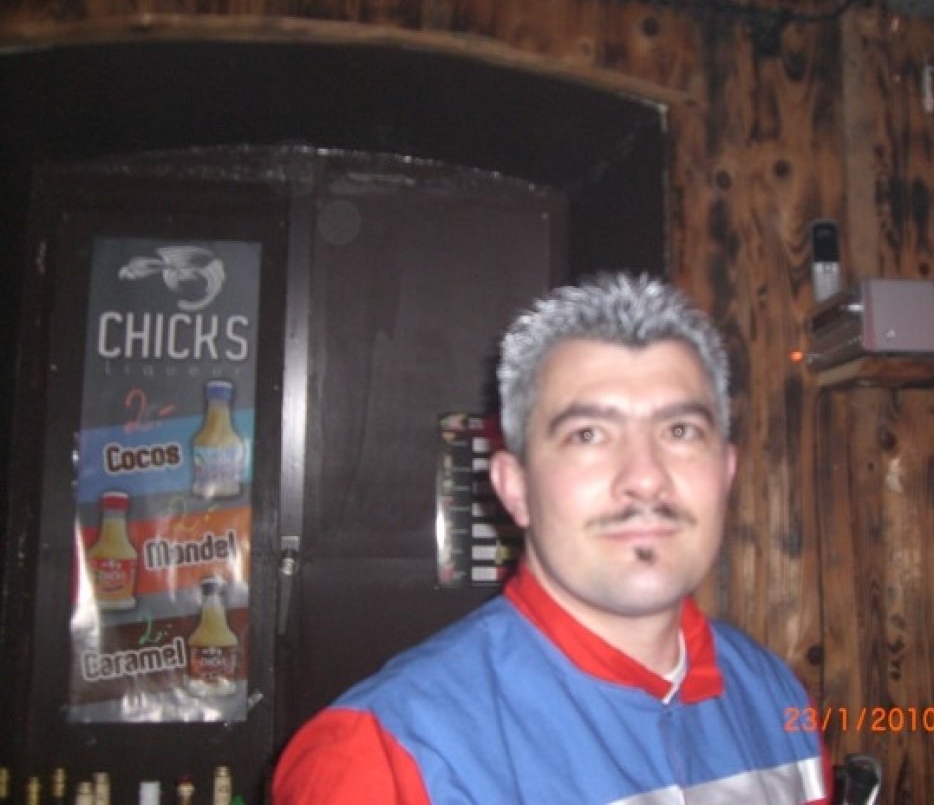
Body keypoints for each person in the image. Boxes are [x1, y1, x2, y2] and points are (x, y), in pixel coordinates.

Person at [272, 272, 830, 804]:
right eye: (589, 435)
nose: (645, 477)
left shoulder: (774, 696)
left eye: (680, 431)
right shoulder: (382, 761)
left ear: (727, 472)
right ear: (514, 487)